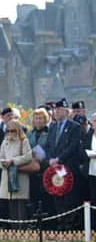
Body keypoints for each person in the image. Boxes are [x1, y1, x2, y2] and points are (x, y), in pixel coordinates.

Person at [43, 98, 82, 230]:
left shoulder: (74, 127)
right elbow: (48, 146)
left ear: (66, 111)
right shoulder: (53, 127)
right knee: (57, 196)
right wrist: (50, 159)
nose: (56, 112)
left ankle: (71, 227)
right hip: (54, 169)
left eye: (59, 109)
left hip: (68, 168)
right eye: (55, 110)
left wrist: (59, 159)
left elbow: (72, 146)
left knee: (69, 199)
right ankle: (61, 226)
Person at [0, 120, 32, 229]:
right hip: (7, 177)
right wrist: (3, 163)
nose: (10, 133)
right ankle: (14, 230)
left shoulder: (24, 141)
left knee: (21, 206)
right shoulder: (4, 142)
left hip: (20, 177)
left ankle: (22, 230)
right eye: (8, 131)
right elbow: (0, 158)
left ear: (18, 130)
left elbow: (28, 156)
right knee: (11, 205)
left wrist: (13, 161)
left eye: (12, 131)